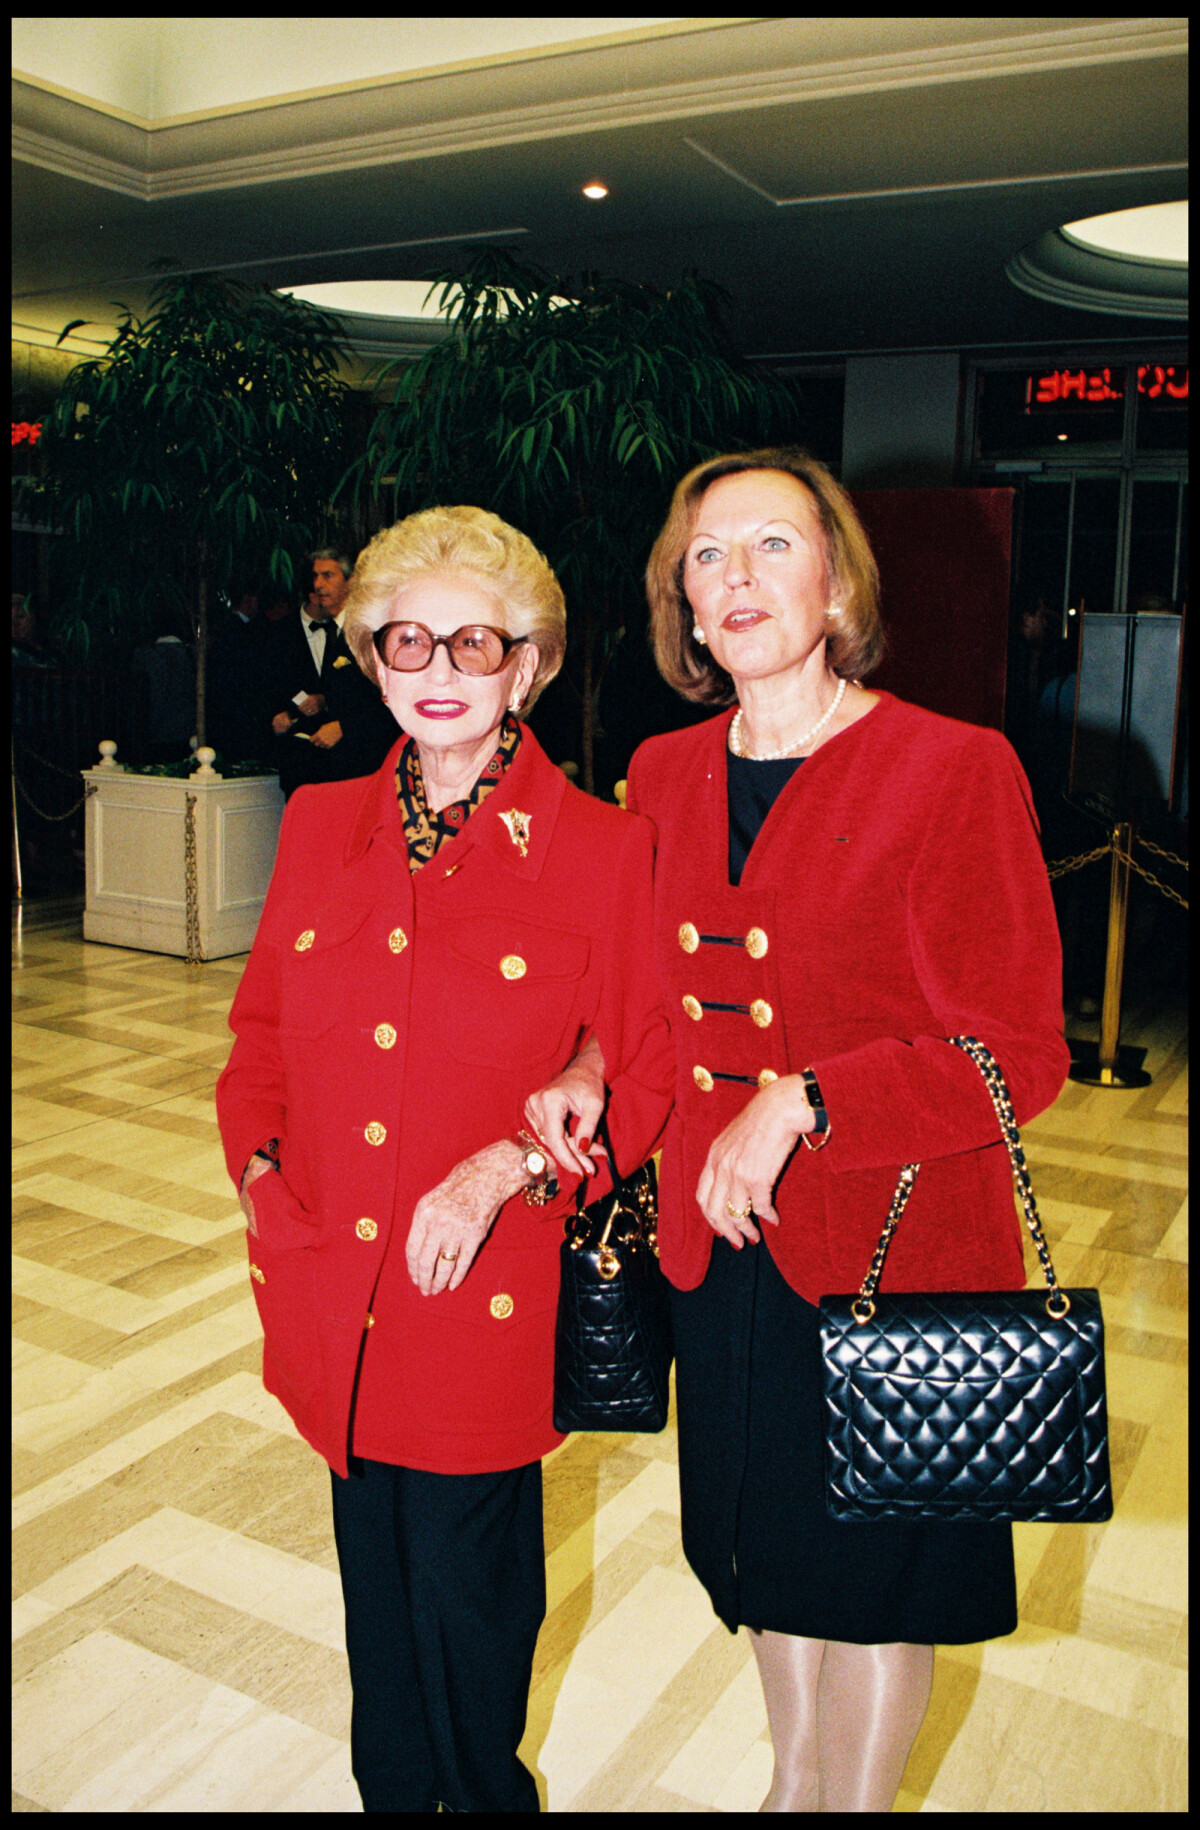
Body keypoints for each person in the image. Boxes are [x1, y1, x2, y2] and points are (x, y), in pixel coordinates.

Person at [528, 448, 1070, 1813]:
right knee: (768, 1543)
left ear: (836, 584)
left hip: (897, 1252)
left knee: (878, 1567)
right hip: (724, 1253)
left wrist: (810, 1096)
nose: (738, 577)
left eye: (773, 545)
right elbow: (638, 992)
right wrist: (590, 1064)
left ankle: (855, 1802)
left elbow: (1021, 1053)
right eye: (707, 557)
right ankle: (793, 1784)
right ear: (684, 608)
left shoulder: (952, 767)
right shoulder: (658, 772)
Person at [214, 505, 671, 1814]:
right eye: (406, 637)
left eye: (476, 641)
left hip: (486, 1291)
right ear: (369, 654)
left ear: (530, 666)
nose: (437, 669)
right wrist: (257, 1176)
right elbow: (257, 1040)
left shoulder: (600, 847)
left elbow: (642, 1076)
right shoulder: (318, 826)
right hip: (330, 1279)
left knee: (472, 1605)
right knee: (375, 1589)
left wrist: (506, 1167)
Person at [263, 550, 395, 796]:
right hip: (319, 768)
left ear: (351, 581)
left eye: (327, 576)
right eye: (315, 576)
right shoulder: (333, 630)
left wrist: (345, 726)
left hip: (362, 767)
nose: (318, 584)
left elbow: (391, 700)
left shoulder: (368, 631)